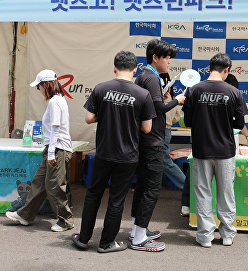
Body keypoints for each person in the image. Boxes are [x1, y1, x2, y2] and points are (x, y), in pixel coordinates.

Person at [71, 51, 156, 253]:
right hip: (127, 156)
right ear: (135, 70)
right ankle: (106, 242)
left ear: (114, 68)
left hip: (103, 152)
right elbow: (147, 128)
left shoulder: (101, 88)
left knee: (93, 194)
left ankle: (83, 239)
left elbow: (89, 118)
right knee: (116, 199)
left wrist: (107, 114)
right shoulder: (143, 94)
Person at [182, 53, 248, 248]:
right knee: (226, 193)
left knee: (203, 193)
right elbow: (240, 123)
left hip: (201, 149)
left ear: (209, 67)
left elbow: (187, 122)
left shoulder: (194, 90)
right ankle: (227, 235)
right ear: (226, 70)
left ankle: (205, 237)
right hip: (225, 151)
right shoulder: (234, 92)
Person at [131, 39, 185, 251]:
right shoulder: (152, 77)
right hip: (152, 140)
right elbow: (158, 108)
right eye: (167, 57)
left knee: (143, 186)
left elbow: (152, 106)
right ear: (155, 57)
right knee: (152, 188)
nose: (169, 61)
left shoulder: (144, 76)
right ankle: (139, 238)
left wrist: (163, 99)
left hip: (145, 140)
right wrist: (177, 101)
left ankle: (138, 230)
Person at [6, 69, 74, 232]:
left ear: (46, 85)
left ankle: (66, 221)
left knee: (54, 186)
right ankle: (25, 215)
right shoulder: (58, 100)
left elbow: (55, 128)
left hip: (57, 149)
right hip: (54, 148)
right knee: (39, 183)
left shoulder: (54, 102)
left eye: (39, 87)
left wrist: (51, 154)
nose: (39, 90)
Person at [159, 72, 185, 191]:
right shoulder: (174, 98)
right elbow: (176, 118)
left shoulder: (159, 97)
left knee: (166, 163)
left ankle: (187, 187)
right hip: (167, 131)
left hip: (159, 132)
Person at [225, 74, 248, 148]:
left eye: (235, 89)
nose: (233, 92)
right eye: (230, 88)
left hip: (231, 141)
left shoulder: (236, 100)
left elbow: (240, 124)